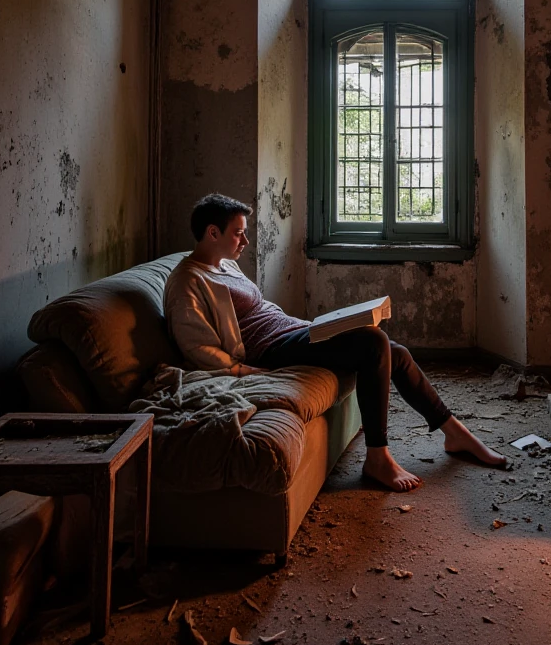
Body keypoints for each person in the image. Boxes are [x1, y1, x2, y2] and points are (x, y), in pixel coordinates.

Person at [164, 193, 507, 492]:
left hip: (291, 330)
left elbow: (260, 310)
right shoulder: (186, 281)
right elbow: (197, 345)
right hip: (270, 349)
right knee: (373, 342)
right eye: (238, 233)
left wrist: (315, 326)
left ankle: (453, 430)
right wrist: (240, 370)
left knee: (395, 352)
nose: (245, 241)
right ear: (212, 233)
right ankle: (377, 458)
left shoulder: (224, 265)